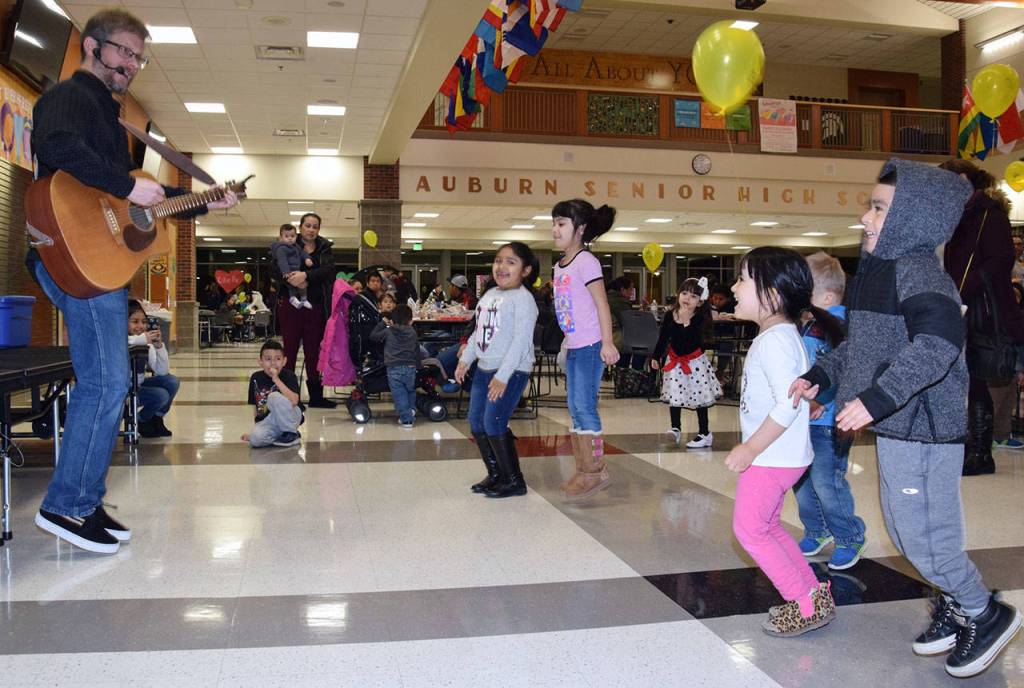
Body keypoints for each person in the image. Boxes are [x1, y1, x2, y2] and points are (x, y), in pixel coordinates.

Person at [792, 159, 1021, 678]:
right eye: (869, 206)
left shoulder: (919, 272)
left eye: (878, 209)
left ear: (913, 218)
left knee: (925, 537)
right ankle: (959, 604)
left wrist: (877, 398)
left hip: (925, 427)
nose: (864, 218)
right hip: (900, 425)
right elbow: (859, 348)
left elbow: (939, 345)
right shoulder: (877, 273)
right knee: (903, 529)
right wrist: (821, 376)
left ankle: (984, 611)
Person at [28, 8, 237, 554]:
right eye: (123, 51)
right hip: (80, 258)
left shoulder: (110, 115)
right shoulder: (71, 97)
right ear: (92, 47)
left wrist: (207, 201)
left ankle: (83, 499)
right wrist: (127, 183)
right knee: (106, 382)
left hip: (97, 260)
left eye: (138, 57)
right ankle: (67, 506)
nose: (131, 64)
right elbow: (56, 147)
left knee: (108, 381)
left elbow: (142, 203)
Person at [726, 247, 835, 638]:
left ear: (771, 293)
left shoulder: (774, 341)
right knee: (768, 526)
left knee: (750, 529)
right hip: (783, 454)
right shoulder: (781, 336)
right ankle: (813, 595)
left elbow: (786, 406)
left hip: (771, 455)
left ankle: (803, 604)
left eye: (742, 280)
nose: (734, 287)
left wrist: (750, 448)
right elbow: (796, 392)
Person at [940, 158, 1024, 475]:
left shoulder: (991, 216)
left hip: (981, 311)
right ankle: (973, 451)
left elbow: (1000, 262)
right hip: (962, 307)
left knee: (976, 381)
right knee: (968, 381)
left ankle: (979, 453)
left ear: (963, 180)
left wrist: (965, 287)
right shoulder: (961, 215)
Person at [792, 252, 866, 570]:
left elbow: (844, 368)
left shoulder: (840, 326)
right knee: (803, 478)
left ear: (826, 295)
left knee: (827, 480)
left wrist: (823, 397)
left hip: (831, 421)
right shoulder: (812, 325)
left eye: (805, 292)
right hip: (805, 420)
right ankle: (817, 529)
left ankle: (849, 535)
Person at [456, 242, 539, 498]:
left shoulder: (524, 300)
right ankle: (496, 475)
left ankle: (514, 480)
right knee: (476, 423)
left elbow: (521, 341)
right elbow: (479, 331)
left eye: (510, 262)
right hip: (483, 368)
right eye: (498, 260)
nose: (501, 266)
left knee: (494, 422)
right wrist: (466, 359)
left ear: (525, 270)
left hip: (510, 371)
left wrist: (503, 376)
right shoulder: (490, 295)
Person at [550, 198, 620, 500]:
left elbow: (601, 303)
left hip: (592, 345)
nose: (555, 229)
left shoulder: (586, 262)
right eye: (554, 223)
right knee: (575, 407)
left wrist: (607, 342)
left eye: (561, 223)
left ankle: (593, 471)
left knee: (584, 405)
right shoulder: (559, 265)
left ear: (580, 229)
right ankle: (585, 470)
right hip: (575, 345)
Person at [651, 277, 722, 448]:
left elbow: (701, 342)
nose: (687, 299)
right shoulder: (670, 315)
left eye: (693, 296)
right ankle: (675, 428)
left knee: (699, 396)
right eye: (684, 293)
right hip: (674, 361)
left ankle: (704, 432)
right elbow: (663, 338)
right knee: (675, 393)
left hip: (694, 362)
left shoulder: (700, 318)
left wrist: (688, 323)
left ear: (700, 302)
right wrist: (656, 357)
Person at [276, 212, 337, 408]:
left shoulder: (325, 248)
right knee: (290, 350)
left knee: (313, 352)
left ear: (319, 229)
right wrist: (290, 278)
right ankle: (290, 396)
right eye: (307, 225)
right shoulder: (288, 243)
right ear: (300, 227)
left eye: (315, 226)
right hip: (291, 305)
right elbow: (274, 269)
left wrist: (306, 276)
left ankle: (316, 397)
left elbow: (329, 272)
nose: (311, 229)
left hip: (315, 306)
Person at [127, 300, 179, 439]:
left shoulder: (146, 344)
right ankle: (136, 420)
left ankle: (153, 419)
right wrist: (140, 339)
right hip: (123, 389)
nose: (140, 326)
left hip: (139, 386)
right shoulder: (120, 340)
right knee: (161, 395)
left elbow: (162, 371)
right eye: (135, 321)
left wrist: (159, 346)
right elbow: (124, 343)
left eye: (143, 322)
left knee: (172, 381)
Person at [242, 340, 304, 448]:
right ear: (260, 361)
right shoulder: (256, 378)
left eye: (278, 359)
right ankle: (282, 435)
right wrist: (257, 429)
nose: (273, 363)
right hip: (270, 421)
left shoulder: (289, 376)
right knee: (256, 440)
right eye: (268, 359)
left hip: (292, 415)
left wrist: (276, 380)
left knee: (273, 396)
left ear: (284, 361)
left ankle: (291, 433)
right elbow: (256, 407)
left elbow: (294, 401)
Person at [370, 304, 421, 428]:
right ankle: (411, 409)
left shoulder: (389, 331)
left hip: (393, 367)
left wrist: (383, 323)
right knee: (410, 390)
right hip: (410, 367)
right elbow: (416, 350)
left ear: (393, 319)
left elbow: (373, 336)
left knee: (399, 393)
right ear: (410, 320)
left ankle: (406, 419)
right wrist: (417, 365)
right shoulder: (413, 332)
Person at [270, 223, 313, 310]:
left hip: (297, 270)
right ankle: (294, 298)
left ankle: (302, 299)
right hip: (289, 271)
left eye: (292, 236)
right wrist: (286, 272)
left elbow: (302, 253)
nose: (290, 238)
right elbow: (282, 261)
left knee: (302, 284)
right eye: (286, 236)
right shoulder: (281, 249)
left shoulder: (296, 247)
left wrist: (307, 259)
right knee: (293, 285)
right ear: (281, 237)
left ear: (296, 236)